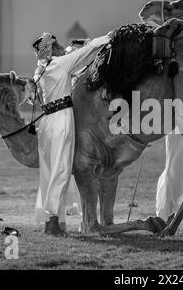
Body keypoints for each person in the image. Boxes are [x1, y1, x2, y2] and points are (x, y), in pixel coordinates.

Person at [31, 32, 108, 236]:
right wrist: (108, 37)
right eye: (59, 45)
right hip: (60, 120)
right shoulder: (59, 64)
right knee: (62, 170)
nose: (62, 47)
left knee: (49, 172)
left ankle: (50, 220)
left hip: (46, 122)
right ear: (53, 48)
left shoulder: (39, 70)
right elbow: (87, 52)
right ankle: (53, 225)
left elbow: (77, 67)